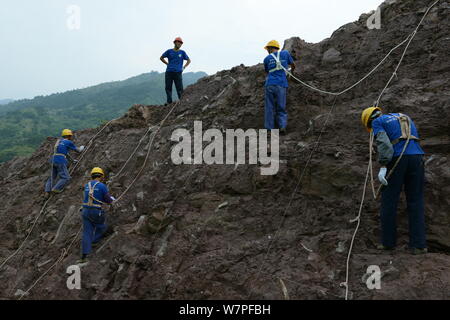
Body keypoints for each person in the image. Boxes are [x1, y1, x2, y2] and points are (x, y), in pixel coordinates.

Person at [361, 107, 428, 255]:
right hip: (417, 158)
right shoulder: (404, 116)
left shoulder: (377, 122)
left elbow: (385, 145)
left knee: (389, 201)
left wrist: (384, 165)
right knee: (416, 201)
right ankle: (419, 245)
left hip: (398, 158)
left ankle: (388, 243)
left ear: (369, 121)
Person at [78, 167, 116, 264]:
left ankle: (83, 256)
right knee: (102, 227)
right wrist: (113, 200)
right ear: (101, 176)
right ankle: (95, 240)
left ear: (92, 175)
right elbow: (107, 198)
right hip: (95, 211)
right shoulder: (102, 186)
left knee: (87, 232)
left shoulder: (87, 185)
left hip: (85, 211)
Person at [263, 40, 296, 135]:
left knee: (269, 107)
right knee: (281, 106)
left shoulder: (266, 59)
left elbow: (267, 72)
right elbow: (293, 65)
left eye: (268, 49)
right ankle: (282, 127)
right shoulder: (285, 53)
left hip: (269, 84)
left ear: (270, 48)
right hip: (281, 84)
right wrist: (291, 72)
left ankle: (269, 129)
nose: (267, 51)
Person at [45, 129, 84, 196]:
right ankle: (56, 189)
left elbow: (65, 153)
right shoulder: (68, 142)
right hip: (60, 160)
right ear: (69, 136)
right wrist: (82, 147)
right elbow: (78, 150)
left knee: (52, 177)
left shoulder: (59, 141)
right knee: (66, 177)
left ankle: (47, 191)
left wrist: (72, 160)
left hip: (53, 160)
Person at [160, 37, 191, 105]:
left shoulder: (182, 52)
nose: (179, 44)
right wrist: (167, 63)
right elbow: (161, 58)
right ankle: (169, 102)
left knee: (179, 88)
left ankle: (181, 101)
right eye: (178, 42)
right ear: (174, 42)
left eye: (180, 43)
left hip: (178, 72)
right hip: (169, 72)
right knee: (168, 87)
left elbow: (189, 60)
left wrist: (184, 67)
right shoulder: (169, 51)